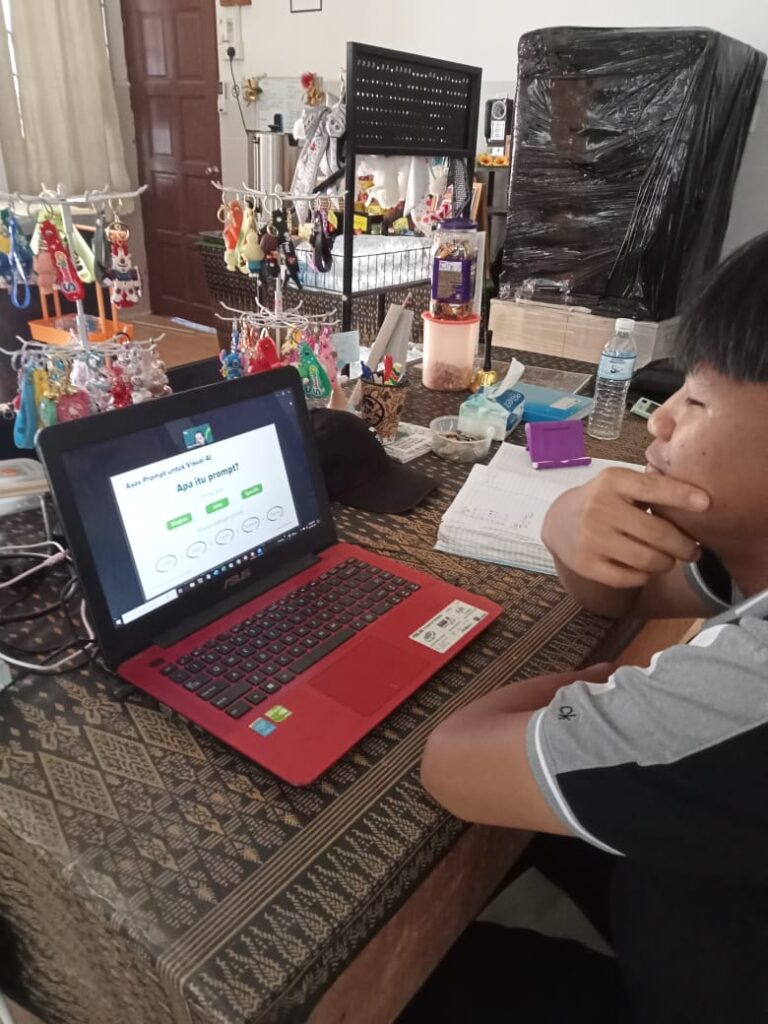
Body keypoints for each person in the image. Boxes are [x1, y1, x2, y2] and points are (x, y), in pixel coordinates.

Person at [399, 233, 768, 1023]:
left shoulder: (749, 692)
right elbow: (623, 598)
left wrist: (612, 686)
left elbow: (452, 761)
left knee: (423, 980)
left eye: (697, 401)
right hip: (703, 893)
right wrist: (565, 522)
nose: (659, 421)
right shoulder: (751, 554)